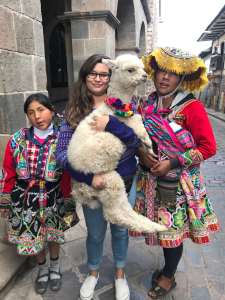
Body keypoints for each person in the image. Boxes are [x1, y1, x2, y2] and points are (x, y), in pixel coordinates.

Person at [129, 47, 219, 299]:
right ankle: (167, 268)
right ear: (154, 73)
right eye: (161, 71)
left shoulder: (191, 108)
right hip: (149, 180)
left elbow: (208, 147)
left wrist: (173, 162)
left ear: (182, 79)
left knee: (173, 230)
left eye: (173, 73)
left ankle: (168, 276)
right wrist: (140, 151)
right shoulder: (147, 105)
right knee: (161, 229)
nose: (165, 78)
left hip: (178, 183)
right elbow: (138, 136)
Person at [56, 54, 140, 300]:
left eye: (104, 74)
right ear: (85, 76)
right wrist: (87, 176)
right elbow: (62, 152)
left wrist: (111, 124)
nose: (98, 78)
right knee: (94, 233)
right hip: (90, 184)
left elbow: (135, 141)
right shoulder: (73, 110)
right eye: (93, 73)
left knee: (121, 230)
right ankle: (93, 273)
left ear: (110, 76)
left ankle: (120, 275)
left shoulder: (125, 104)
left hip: (124, 179)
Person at [0, 93, 79, 294]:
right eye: (31, 112)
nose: (37, 116)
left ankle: (54, 268)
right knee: (33, 235)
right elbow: (8, 172)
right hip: (26, 199)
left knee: (53, 234)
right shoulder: (17, 140)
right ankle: (42, 270)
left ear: (52, 111)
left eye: (41, 110)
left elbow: (67, 174)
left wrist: (69, 202)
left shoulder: (64, 139)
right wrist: (5, 200)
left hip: (54, 197)